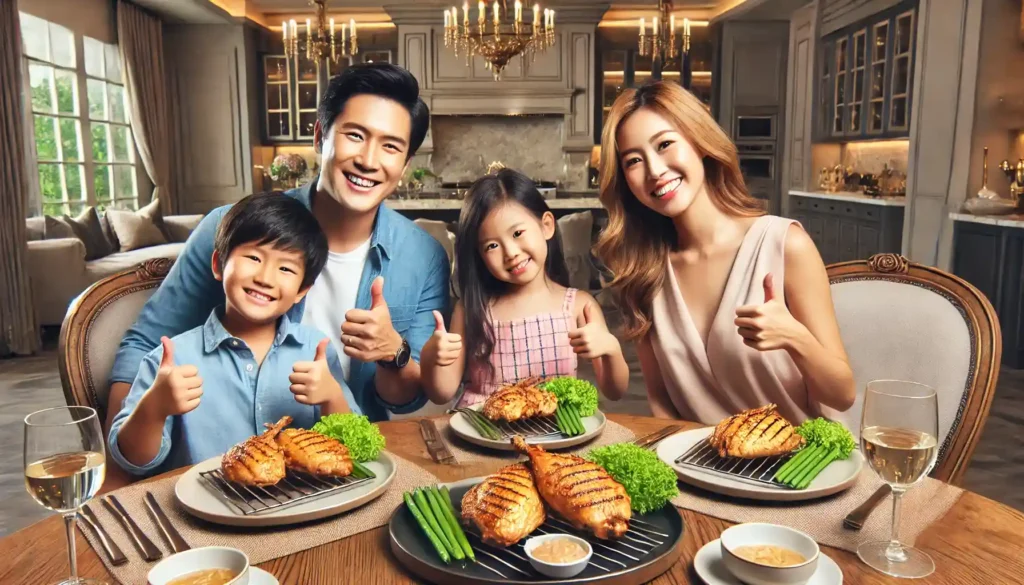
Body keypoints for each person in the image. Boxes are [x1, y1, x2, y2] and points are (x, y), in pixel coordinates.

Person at [106, 63, 450, 447]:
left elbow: (403, 400)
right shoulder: (232, 226)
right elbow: (143, 346)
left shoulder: (423, 256)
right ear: (321, 137)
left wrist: (393, 353)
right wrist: (119, 469)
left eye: (390, 146)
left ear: (403, 166)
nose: (369, 160)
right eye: (355, 135)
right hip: (225, 459)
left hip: (349, 462)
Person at [594, 81, 855, 424]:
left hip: (799, 467)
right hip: (697, 466)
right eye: (633, 161)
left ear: (699, 143)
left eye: (665, 144)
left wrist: (794, 337)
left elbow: (843, 395)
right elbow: (662, 404)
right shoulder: (645, 273)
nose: (655, 171)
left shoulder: (785, 245)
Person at [108, 193, 358, 476]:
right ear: (218, 265)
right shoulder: (170, 362)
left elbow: (351, 449)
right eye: (253, 257)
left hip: (306, 508)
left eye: (286, 268)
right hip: (201, 515)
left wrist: (331, 398)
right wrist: (154, 408)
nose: (265, 277)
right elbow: (132, 461)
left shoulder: (316, 353)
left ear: (302, 290)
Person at [421, 168, 629, 406]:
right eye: (491, 246)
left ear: (547, 226)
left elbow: (614, 391)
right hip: (482, 434)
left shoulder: (579, 306)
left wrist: (610, 348)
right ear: (479, 255)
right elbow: (442, 393)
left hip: (553, 433)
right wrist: (431, 357)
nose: (510, 253)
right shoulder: (470, 309)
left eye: (518, 233)